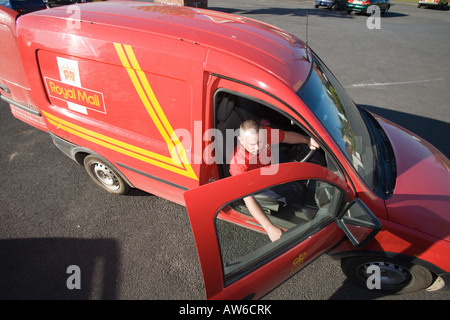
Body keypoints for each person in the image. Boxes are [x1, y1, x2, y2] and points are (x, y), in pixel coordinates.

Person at [229, 119, 320, 242]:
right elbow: (248, 198)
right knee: (295, 192)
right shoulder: (238, 164)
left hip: (271, 166)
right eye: (252, 144)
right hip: (261, 184)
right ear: (241, 140)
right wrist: (269, 227)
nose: (257, 148)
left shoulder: (265, 133)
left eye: (260, 142)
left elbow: (287, 136)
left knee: (305, 165)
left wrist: (307, 140)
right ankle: (312, 212)